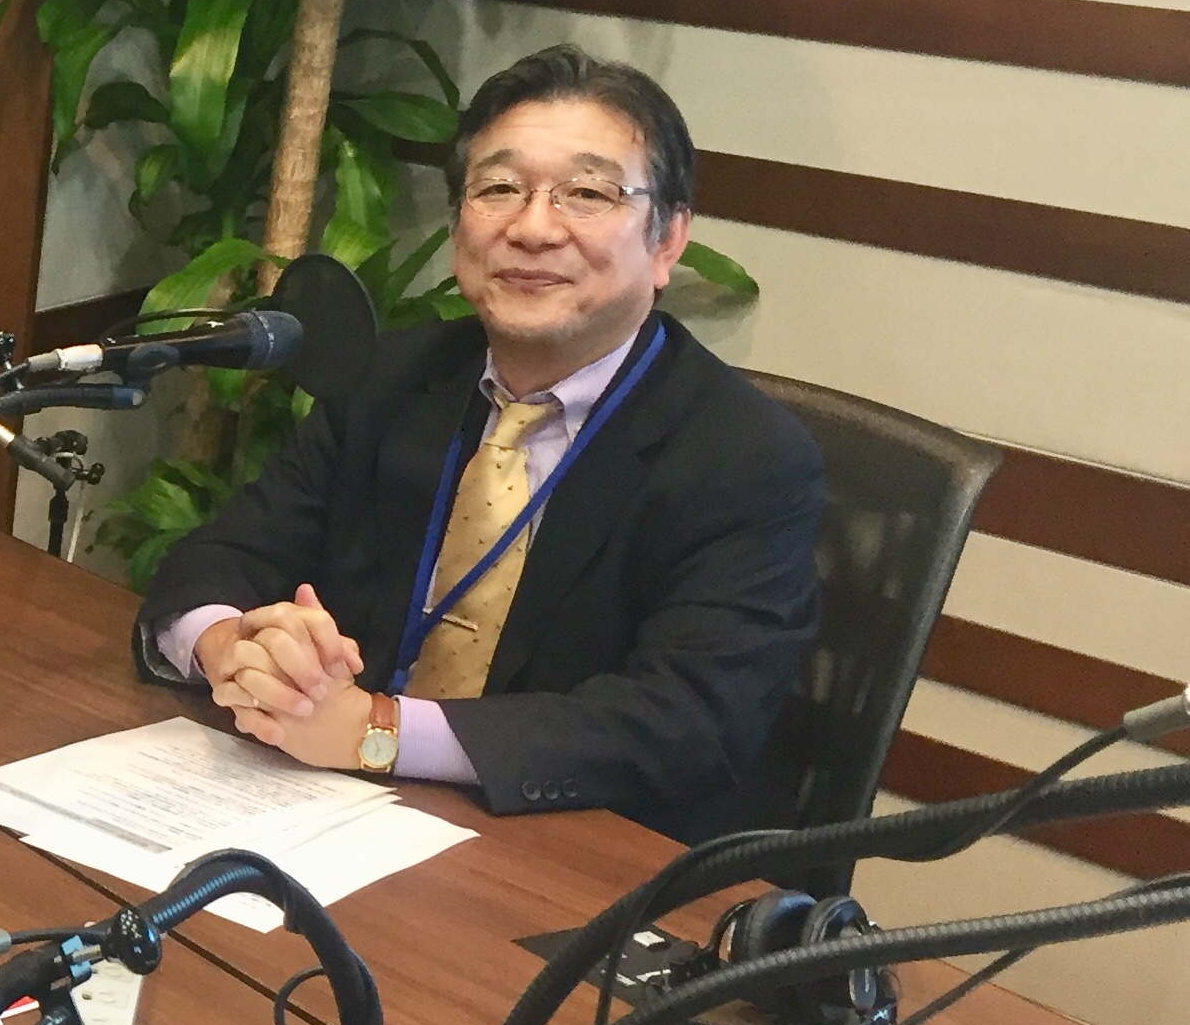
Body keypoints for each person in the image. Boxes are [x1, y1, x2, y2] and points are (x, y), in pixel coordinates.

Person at [135, 45, 824, 842]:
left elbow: (685, 721)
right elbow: (220, 556)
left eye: (587, 194)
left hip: (556, 846)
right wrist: (234, 649)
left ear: (667, 239)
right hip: (327, 815)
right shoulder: (391, 378)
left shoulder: (746, 456)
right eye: (498, 188)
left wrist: (377, 730)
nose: (533, 229)